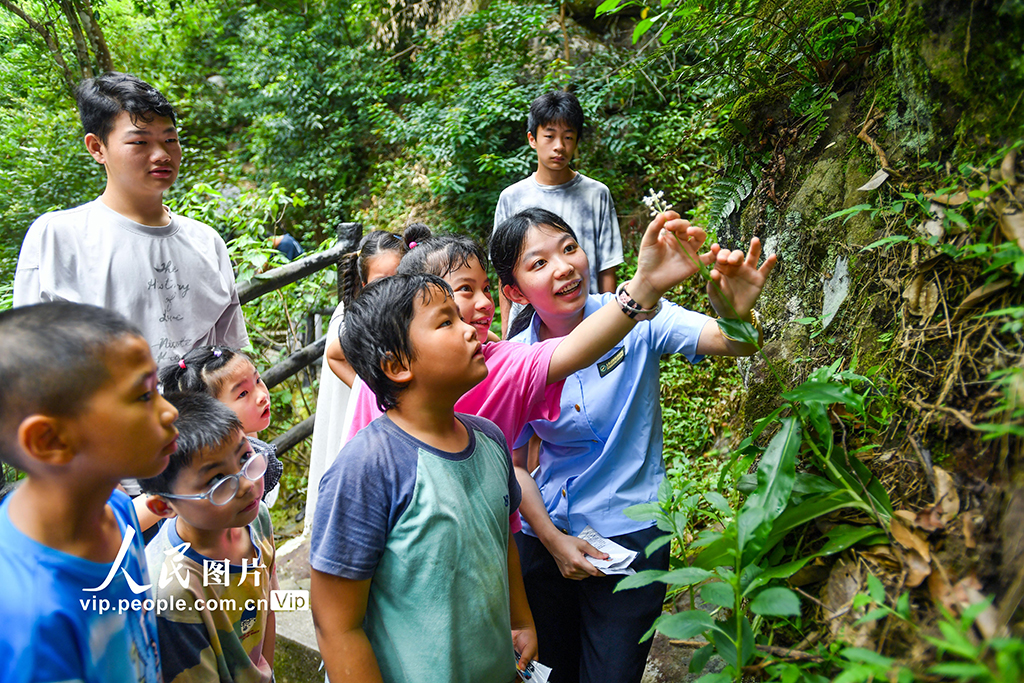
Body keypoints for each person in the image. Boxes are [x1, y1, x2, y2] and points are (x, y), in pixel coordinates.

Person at [490, 207, 777, 683]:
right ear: (515, 291)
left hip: (629, 535)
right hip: (546, 534)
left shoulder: (637, 315)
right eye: (538, 263)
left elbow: (735, 343)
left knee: (612, 673)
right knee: (546, 672)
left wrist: (735, 312)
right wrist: (554, 541)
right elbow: (513, 465)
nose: (564, 267)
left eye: (568, 248)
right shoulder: (517, 359)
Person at [310, 274, 534, 683]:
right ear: (397, 365)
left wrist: (521, 621)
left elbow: (502, 541)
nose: (470, 328)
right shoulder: (367, 467)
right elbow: (336, 623)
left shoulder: (490, 439)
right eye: (446, 321)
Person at [13, 71, 248, 366]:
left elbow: (229, 357)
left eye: (170, 139)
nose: (162, 154)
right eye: (140, 143)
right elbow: (27, 361)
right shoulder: (59, 237)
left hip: (198, 412)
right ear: (97, 148)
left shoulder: (206, 241)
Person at [0, 302, 178, 683]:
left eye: (157, 389)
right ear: (50, 440)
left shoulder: (115, 508)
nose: (170, 412)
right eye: (144, 396)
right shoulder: (29, 617)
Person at [139, 392, 277, 683]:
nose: (246, 484)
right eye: (216, 480)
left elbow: (269, 607)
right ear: (164, 506)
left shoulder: (256, 518)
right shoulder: (173, 592)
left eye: (245, 457)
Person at [306, 228, 412, 532]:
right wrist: (375, 393)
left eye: (399, 277)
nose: (392, 288)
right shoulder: (354, 316)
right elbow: (335, 355)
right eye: (381, 282)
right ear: (364, 284)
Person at [493, 90, 623, 336]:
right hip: (530, 330)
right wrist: (508, 333)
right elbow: (504, 276)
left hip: (588, 323)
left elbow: (607, 268)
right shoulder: (511, 197)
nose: (559, 147)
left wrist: (611, 324)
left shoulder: (596, 194)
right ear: (532, 138)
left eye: (568, 137)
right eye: (549, 137)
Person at [158, 346, 283, 505]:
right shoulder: (191, 475)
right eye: (243, 393)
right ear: (208, 410)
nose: (262, 396)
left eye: (258, 380)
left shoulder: (258, 453)